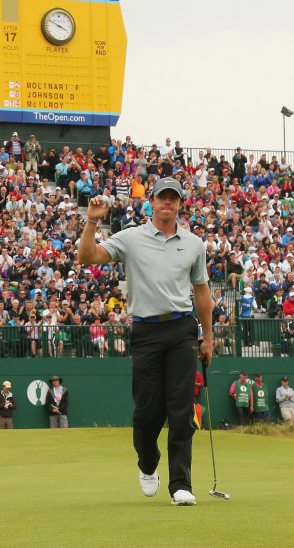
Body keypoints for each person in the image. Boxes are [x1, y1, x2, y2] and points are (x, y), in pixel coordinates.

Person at [78, 177, 213, 507]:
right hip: (146, 331)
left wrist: (207, 336)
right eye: (162, 197)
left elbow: (201, 292)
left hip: (182, 328)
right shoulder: (131, 238)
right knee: (147, 411)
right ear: (151, 201)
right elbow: (88, 257)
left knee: (181, 409)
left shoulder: (194, 244)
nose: (167, 202)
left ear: (180, 204)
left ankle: (180, 483)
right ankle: (148, 463)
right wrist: (92, 220)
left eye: (173, 198)